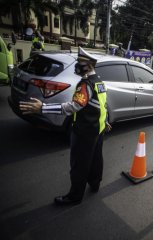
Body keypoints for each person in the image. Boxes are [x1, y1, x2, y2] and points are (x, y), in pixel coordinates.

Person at [19, 47, 111, 206]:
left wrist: (42, 108)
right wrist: (106, 122)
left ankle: (74, 197)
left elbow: (73, 107)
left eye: (80, 63)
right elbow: (102, 105)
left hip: (84, 133)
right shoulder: (100, 82)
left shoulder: (85, 84)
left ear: (88, 66)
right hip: (98, 130)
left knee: (79, 165)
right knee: (96, 159)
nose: (77, 65)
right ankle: (95, 183)